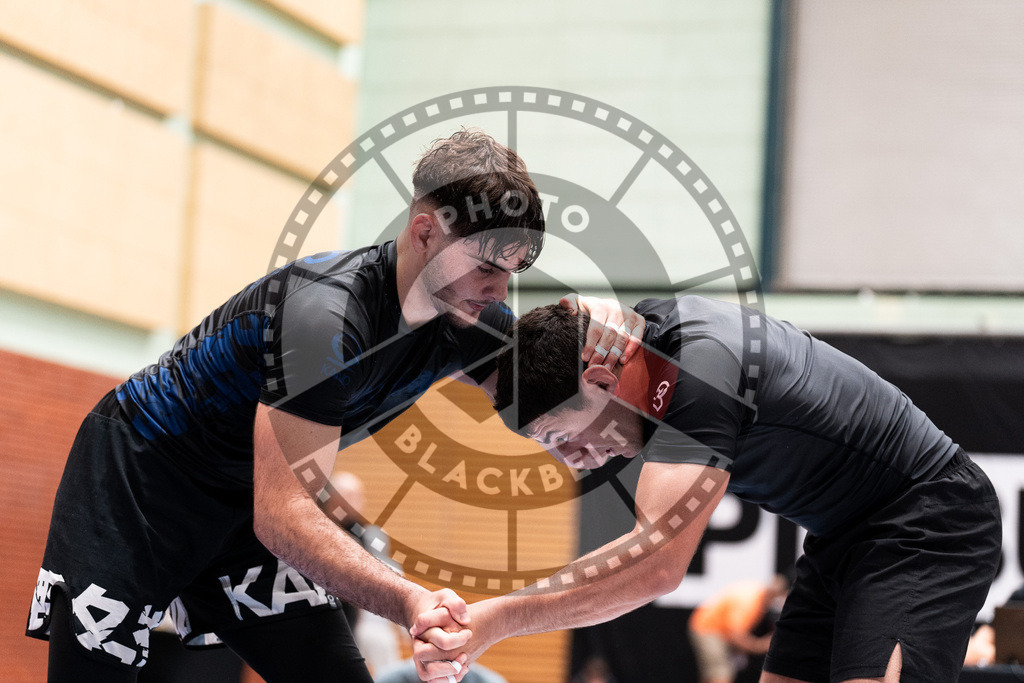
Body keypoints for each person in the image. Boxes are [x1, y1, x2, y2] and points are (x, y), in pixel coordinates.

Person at [25, 129, 645, 682]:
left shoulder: (469, 316)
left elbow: (543, 393)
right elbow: (283, 516)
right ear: (425, 232)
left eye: (510, 272)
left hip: (246, 496)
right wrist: (408, 599)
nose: (498, 290)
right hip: (142, 480)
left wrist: (606, 328)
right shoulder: (324, 318)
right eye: (487, 266)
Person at [412, 297, 1002, 683]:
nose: (575, 461)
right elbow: (536, 335)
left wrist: (495, 620)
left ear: (601, 381)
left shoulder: (699, 374)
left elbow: (653, 566)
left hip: (929, 518)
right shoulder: (627, 339)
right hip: (842, 536)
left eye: (562, 437)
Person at [688, 576, 789, 683]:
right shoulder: (749, 602)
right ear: (775, 595)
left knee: (712, 673)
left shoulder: (758, 597)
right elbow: (735, 635)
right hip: (708, 629)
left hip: (712, 628)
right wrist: (760, 645)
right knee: (721, 673)